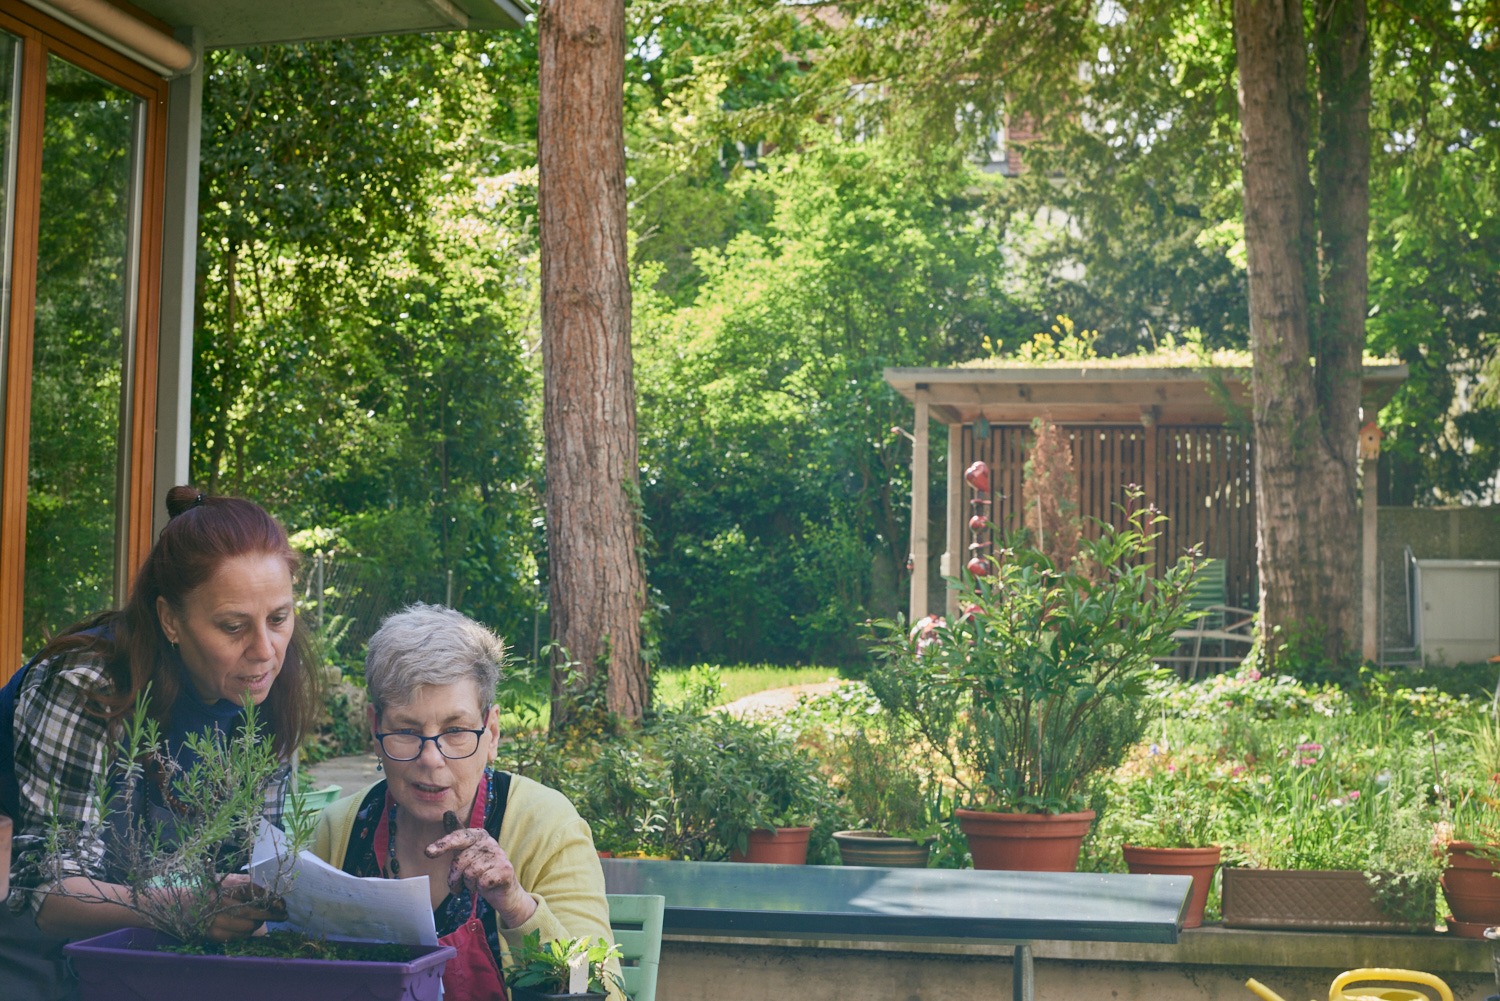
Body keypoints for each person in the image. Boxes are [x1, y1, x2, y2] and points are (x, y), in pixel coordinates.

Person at [0, 486, 323, 1001]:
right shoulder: (89, 685)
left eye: (279, 619)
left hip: (146, 960)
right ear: (171, 619)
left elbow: (247, 862)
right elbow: (45, 891)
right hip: (29, 960)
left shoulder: (266, 690)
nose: (265, 651)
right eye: (233, 626)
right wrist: (182, 907)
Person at [312, 603, 615, 1001]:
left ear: (492, 733)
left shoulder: (547, 827)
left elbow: (601, 988)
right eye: (407, 730)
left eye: (455, 731)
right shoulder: (340, 830)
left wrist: (517, 906)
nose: (431, 759)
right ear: (375, 729)